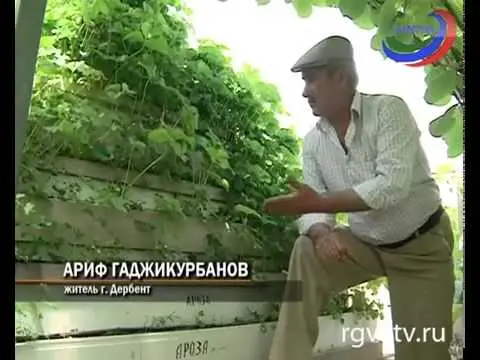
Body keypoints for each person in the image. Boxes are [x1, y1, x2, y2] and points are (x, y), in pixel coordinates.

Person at [263, 36, 454, 360]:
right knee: (307, 248)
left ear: (340, 77)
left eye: (311, 79)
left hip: (420, 249)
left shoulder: (388, 111)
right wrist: (322, 232)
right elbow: (311, 210)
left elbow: (390, 186)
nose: (304, 91)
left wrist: (321, 204)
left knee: (423, 350)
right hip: (365, 246)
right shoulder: (313, 143)